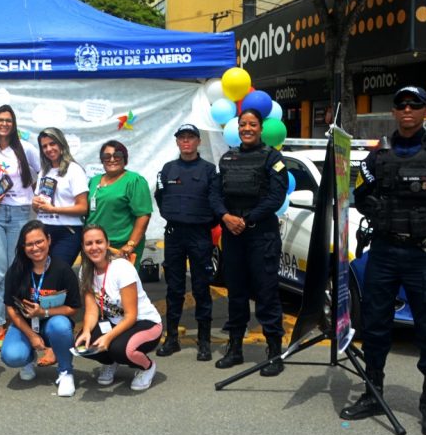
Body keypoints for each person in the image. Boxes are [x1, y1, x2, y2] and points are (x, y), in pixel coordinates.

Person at [342, 86, 426, 435]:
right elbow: (361, 193)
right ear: (394, 112)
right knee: (375, 326)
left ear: (425, 112)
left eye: (414, 105)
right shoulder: (378, 156)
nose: (406, 110)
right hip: (385, 253)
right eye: (400, 105)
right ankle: (373, 394)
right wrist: (382, 217)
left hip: (424, 256)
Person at [211, 108, 289, 376]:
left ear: (260, 128)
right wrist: (225, 216)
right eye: (243, 124)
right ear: (238, 127)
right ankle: (235, 349)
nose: (247, 128)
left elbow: (276, 196)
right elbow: (215, 194)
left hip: (261, 235)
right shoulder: (228, 158)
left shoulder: (272, 157)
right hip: (233, 235)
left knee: (267, 293)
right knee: (236, 293)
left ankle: (274, 352)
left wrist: (248, 219)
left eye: (252, 124)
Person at [0, 105, 40, 350]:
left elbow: (42, 173)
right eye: (0, 120)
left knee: (20, 268)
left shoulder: (26, 148)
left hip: (21, 212)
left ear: (14, 124)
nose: (4, 124)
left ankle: (18, 322)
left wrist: (39, 195)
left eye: (8, 120)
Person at [154, 123, 219, 361]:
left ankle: (204, 342)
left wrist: (201, 223)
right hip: (174, 234)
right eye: (182, 138)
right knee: (174, 289)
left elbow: (215, 201)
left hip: (200, 235)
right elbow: (160, 197)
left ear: (198, 141)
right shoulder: (168, 169)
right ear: (177, 142)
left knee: (202, 288)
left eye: (191, 137)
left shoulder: (210, 170)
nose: (186, 142)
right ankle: (172, 339)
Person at [75, 225, 163, 391]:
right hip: (116, 322)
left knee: (120, 349)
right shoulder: (85, 271)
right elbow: (92, 310)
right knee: (82, 342)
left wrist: (108, 338)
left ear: (107, 243)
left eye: (99, 242)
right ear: (83, 247)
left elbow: (131, 315)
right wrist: (86, 330)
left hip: (143, 322)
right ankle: (110, 363)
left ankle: (147, 367)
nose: (94, 247)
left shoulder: (122, 268)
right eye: (89, 243)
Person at [0, 221, 80, 397]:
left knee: (60, 325)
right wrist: (31, 335)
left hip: (52, 323)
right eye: (29, 244)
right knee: (11, 356)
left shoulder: (63, 269)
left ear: (48, 240)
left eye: (39, 242)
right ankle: (28, 359)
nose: (35, 248)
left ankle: (66, 372)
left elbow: (73, 308)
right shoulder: (16, 270)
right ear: (23, 246)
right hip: (25, 325)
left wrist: (44, 312)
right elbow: (11, 308)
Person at [86, 140, 152, 268]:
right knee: (95, 286)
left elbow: (143, 215)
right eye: (107, 156)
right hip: (95, 246)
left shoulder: (134, 181)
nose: (112, 159)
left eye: (117, 156)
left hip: (121, 248)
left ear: (125, 159)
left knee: (122, 286)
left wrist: (130, 245)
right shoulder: (94, 181)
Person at [32, 127, 88, 268]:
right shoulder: (44, 172)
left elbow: (83, 207)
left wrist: (54, 210)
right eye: (44, 146)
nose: (49, 149)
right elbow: (38, 208)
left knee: (57, 272)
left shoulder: (74, 170)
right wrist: (35, 203)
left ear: (61, 144)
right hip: (43, 230)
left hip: (67, 231)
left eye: (52, 144)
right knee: (41, 272)